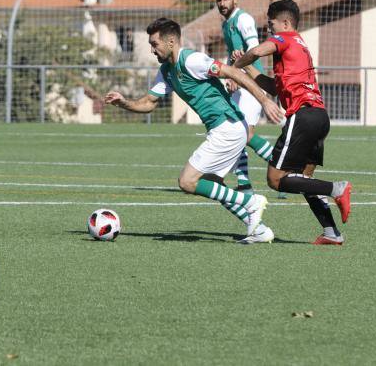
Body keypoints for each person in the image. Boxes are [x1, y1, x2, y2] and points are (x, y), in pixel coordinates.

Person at [105, 18, 285, 244]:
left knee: (187, 181)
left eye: (154, 44)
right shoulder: (167, 70)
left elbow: (234, 72)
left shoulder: (192, 60)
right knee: (212, 184)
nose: (152, 50)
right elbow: (149, 102)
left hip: (227, 126)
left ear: (171, 41)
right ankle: (259, 230)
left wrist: (265, 101)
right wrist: (123, 103)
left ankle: (252, 203)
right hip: (223, 129)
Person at [234, 0, 352, 245]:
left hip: (303, 116)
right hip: (319, 116)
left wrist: (234, 66)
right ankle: (332, 232)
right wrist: (246, 71)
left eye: (271, 24)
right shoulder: (298, 47)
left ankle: (337, 189)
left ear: (285, 22)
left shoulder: (285, 38)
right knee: (307, 182)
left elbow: (256, 51)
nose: (269, 30)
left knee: (276, 179)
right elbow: (272, 87)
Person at [215, 0, 285, 198]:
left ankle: (284, 173)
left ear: (235, 0)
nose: (222, 3)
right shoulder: (226, 24)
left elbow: (254, 51)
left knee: (246, 135)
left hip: (252, 84)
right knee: (235, 132)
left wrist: (237, 70)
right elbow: (234, 54)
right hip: (239, 81)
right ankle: (244, 183)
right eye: (219, 0)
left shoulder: (243, 19)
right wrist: (230, 75)